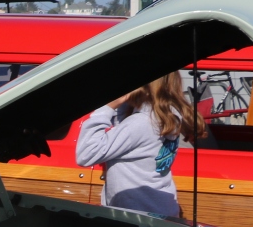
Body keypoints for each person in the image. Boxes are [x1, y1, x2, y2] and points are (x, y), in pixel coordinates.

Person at [76, 73, 205, 217]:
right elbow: (124, 126)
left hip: (137, 216)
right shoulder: (169, 116)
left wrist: (107, 108)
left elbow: (86, 154)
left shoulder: (141, 123)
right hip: (160, 209)